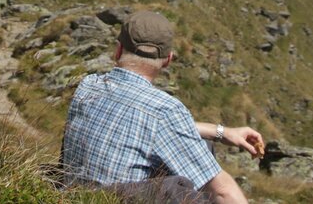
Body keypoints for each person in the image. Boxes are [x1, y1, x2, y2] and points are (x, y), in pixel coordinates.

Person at [61, 10, 265, 204]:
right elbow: (223, 192)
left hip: (70, 196)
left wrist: (219, 132)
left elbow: (144, 127)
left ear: (119, 50)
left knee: (204, 143)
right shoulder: (165, 111)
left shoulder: (88, 86)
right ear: (167, 60)